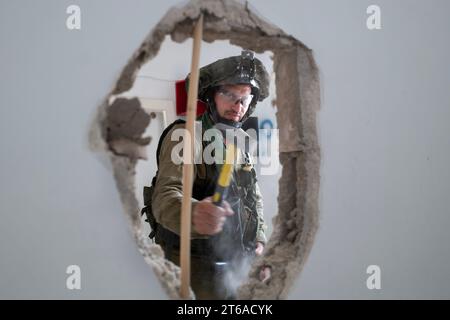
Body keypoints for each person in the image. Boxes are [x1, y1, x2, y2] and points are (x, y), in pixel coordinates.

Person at [150, 50, 270, 299]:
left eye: (245, 99)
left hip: (237, 265)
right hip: (192, 269)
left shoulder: (240, 144)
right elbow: (164, 197)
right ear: (211, 96)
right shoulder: (185, 136)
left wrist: (259, 239)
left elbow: (252, 198)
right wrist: (194, 214)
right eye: (229, 95)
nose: (239, 105)